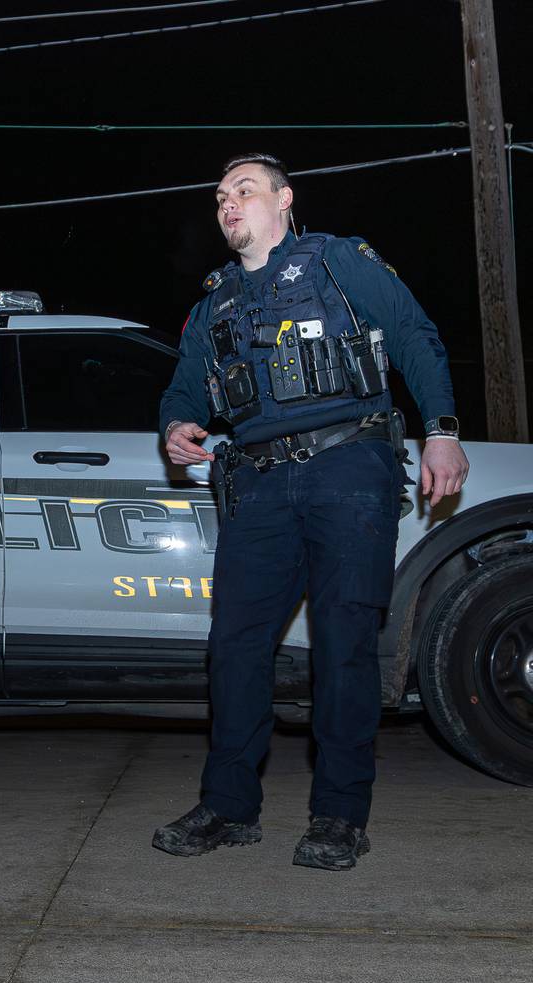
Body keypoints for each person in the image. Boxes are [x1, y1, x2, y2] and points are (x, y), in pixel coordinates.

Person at [154, 152, 468, 870]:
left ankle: (338, 815)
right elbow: (184, 389)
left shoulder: (335, 262)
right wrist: (175, 426)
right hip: (258, 482)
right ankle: (229, 807)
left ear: (284, 199)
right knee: (234, 645)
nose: (228, 203)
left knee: (343, 643)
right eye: (220, 195)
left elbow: (414, 335)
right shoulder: (216, 303)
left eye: (244, 189)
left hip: (349, 466)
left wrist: (442, 430)